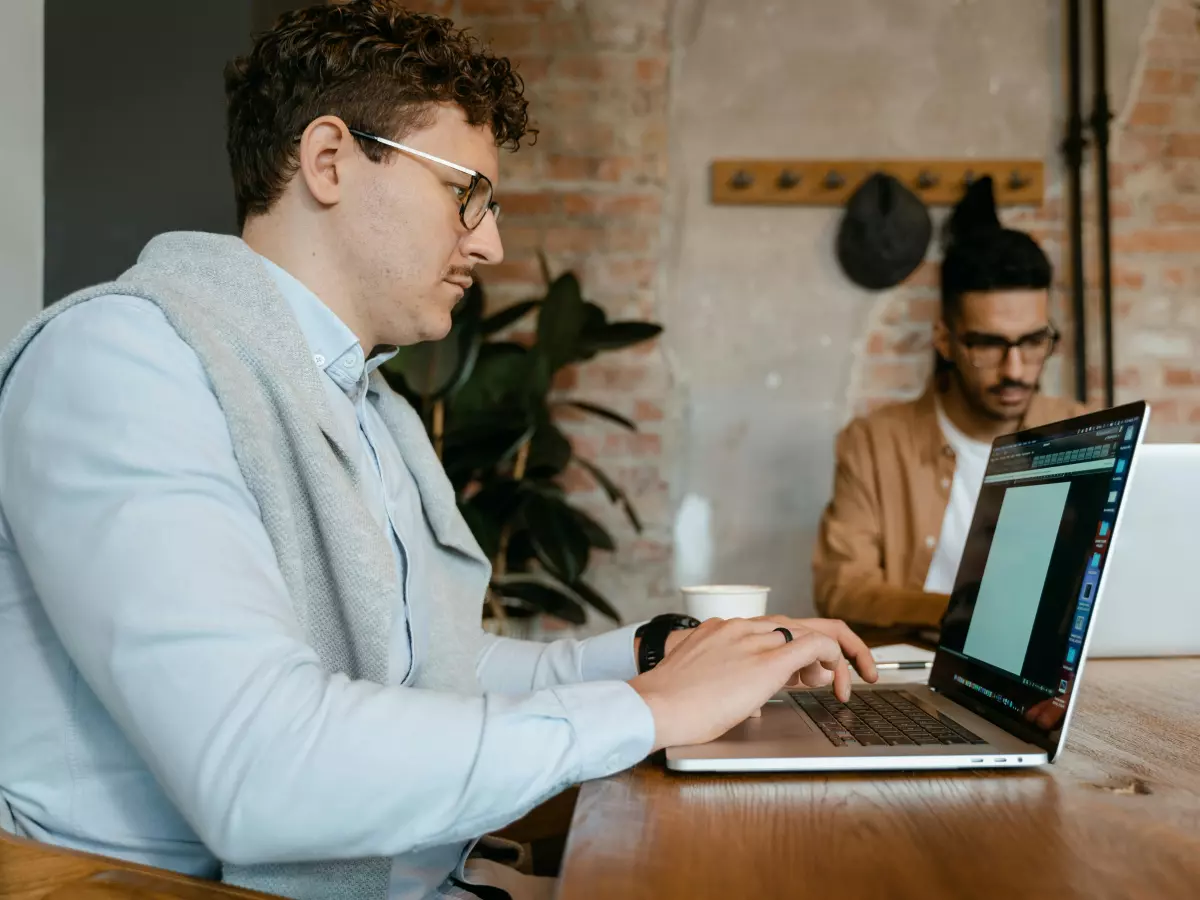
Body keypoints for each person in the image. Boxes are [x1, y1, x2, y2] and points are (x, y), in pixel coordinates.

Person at [0, 4, 876, 900]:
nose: (489, 241)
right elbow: (257, 768)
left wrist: (662, 656)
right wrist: (648, 711)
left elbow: (442, 667)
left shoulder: (368, 405)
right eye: (467, 192)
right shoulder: (121, 364)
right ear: (330, 161)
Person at [812, 177, 1085, 633]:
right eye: (988, 344)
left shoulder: (1084, 430)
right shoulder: (874, 443)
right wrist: (964, 611)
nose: (1015, 369)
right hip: (918, 669)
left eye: (1034, 341)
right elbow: (842, 587)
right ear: (944, 339)